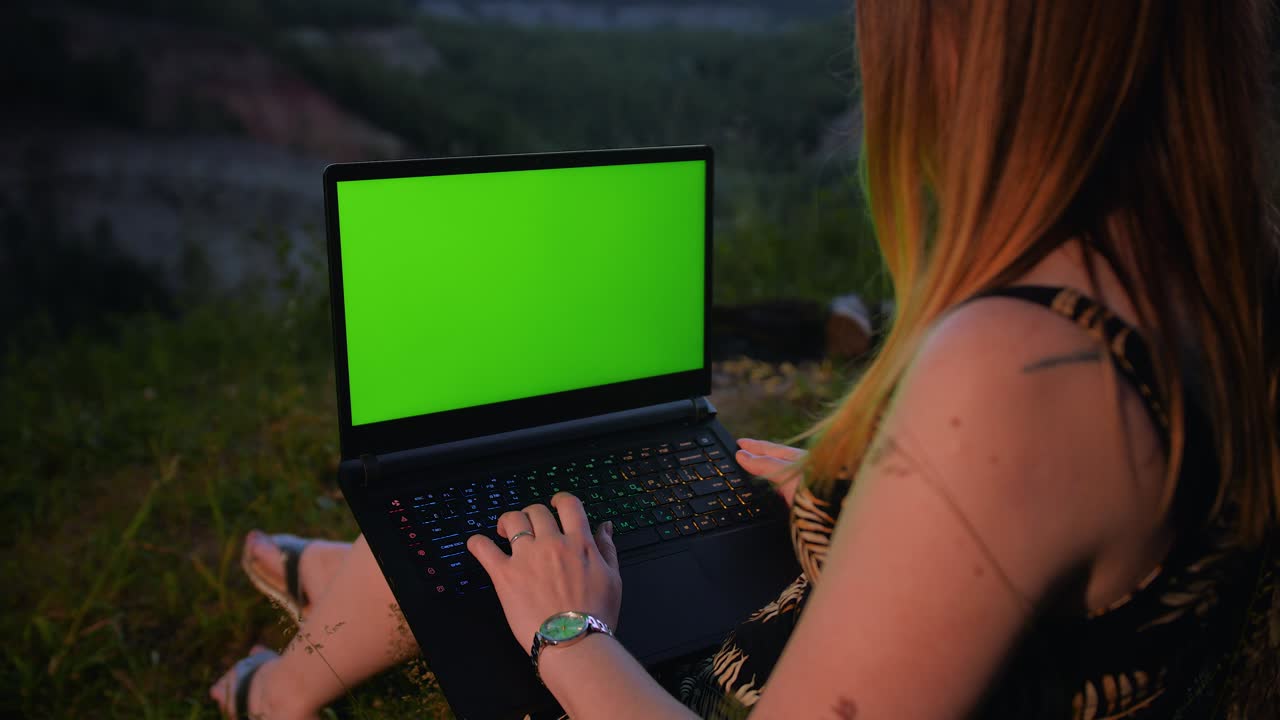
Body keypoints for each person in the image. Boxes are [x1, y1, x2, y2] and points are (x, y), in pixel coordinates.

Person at [212, 0, 1280, 717]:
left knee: (502, 518)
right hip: (841, 626)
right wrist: (868, 503)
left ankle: (277, 688)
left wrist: (567, 631)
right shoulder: (1211, 279)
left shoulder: (1011, 375)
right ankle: (344, 579)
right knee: (508, 509)